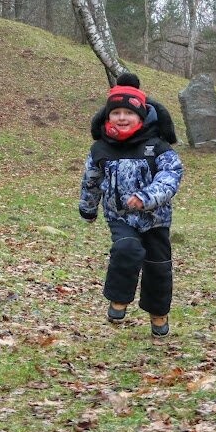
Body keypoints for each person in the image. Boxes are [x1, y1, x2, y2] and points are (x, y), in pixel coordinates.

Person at [79, 83, 184, 337]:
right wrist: (88, 208)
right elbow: (91, 181)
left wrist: (146, 197)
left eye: (129, 113)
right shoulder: (100, 149)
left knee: (158, 267)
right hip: (120, 216)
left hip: (155, 218)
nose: (122, 118)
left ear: (141, 116)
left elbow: (171, 176)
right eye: (116, 113)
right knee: (126, 249)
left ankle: (158, 313)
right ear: (108, 116)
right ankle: (119, 298)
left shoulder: (157, 146)